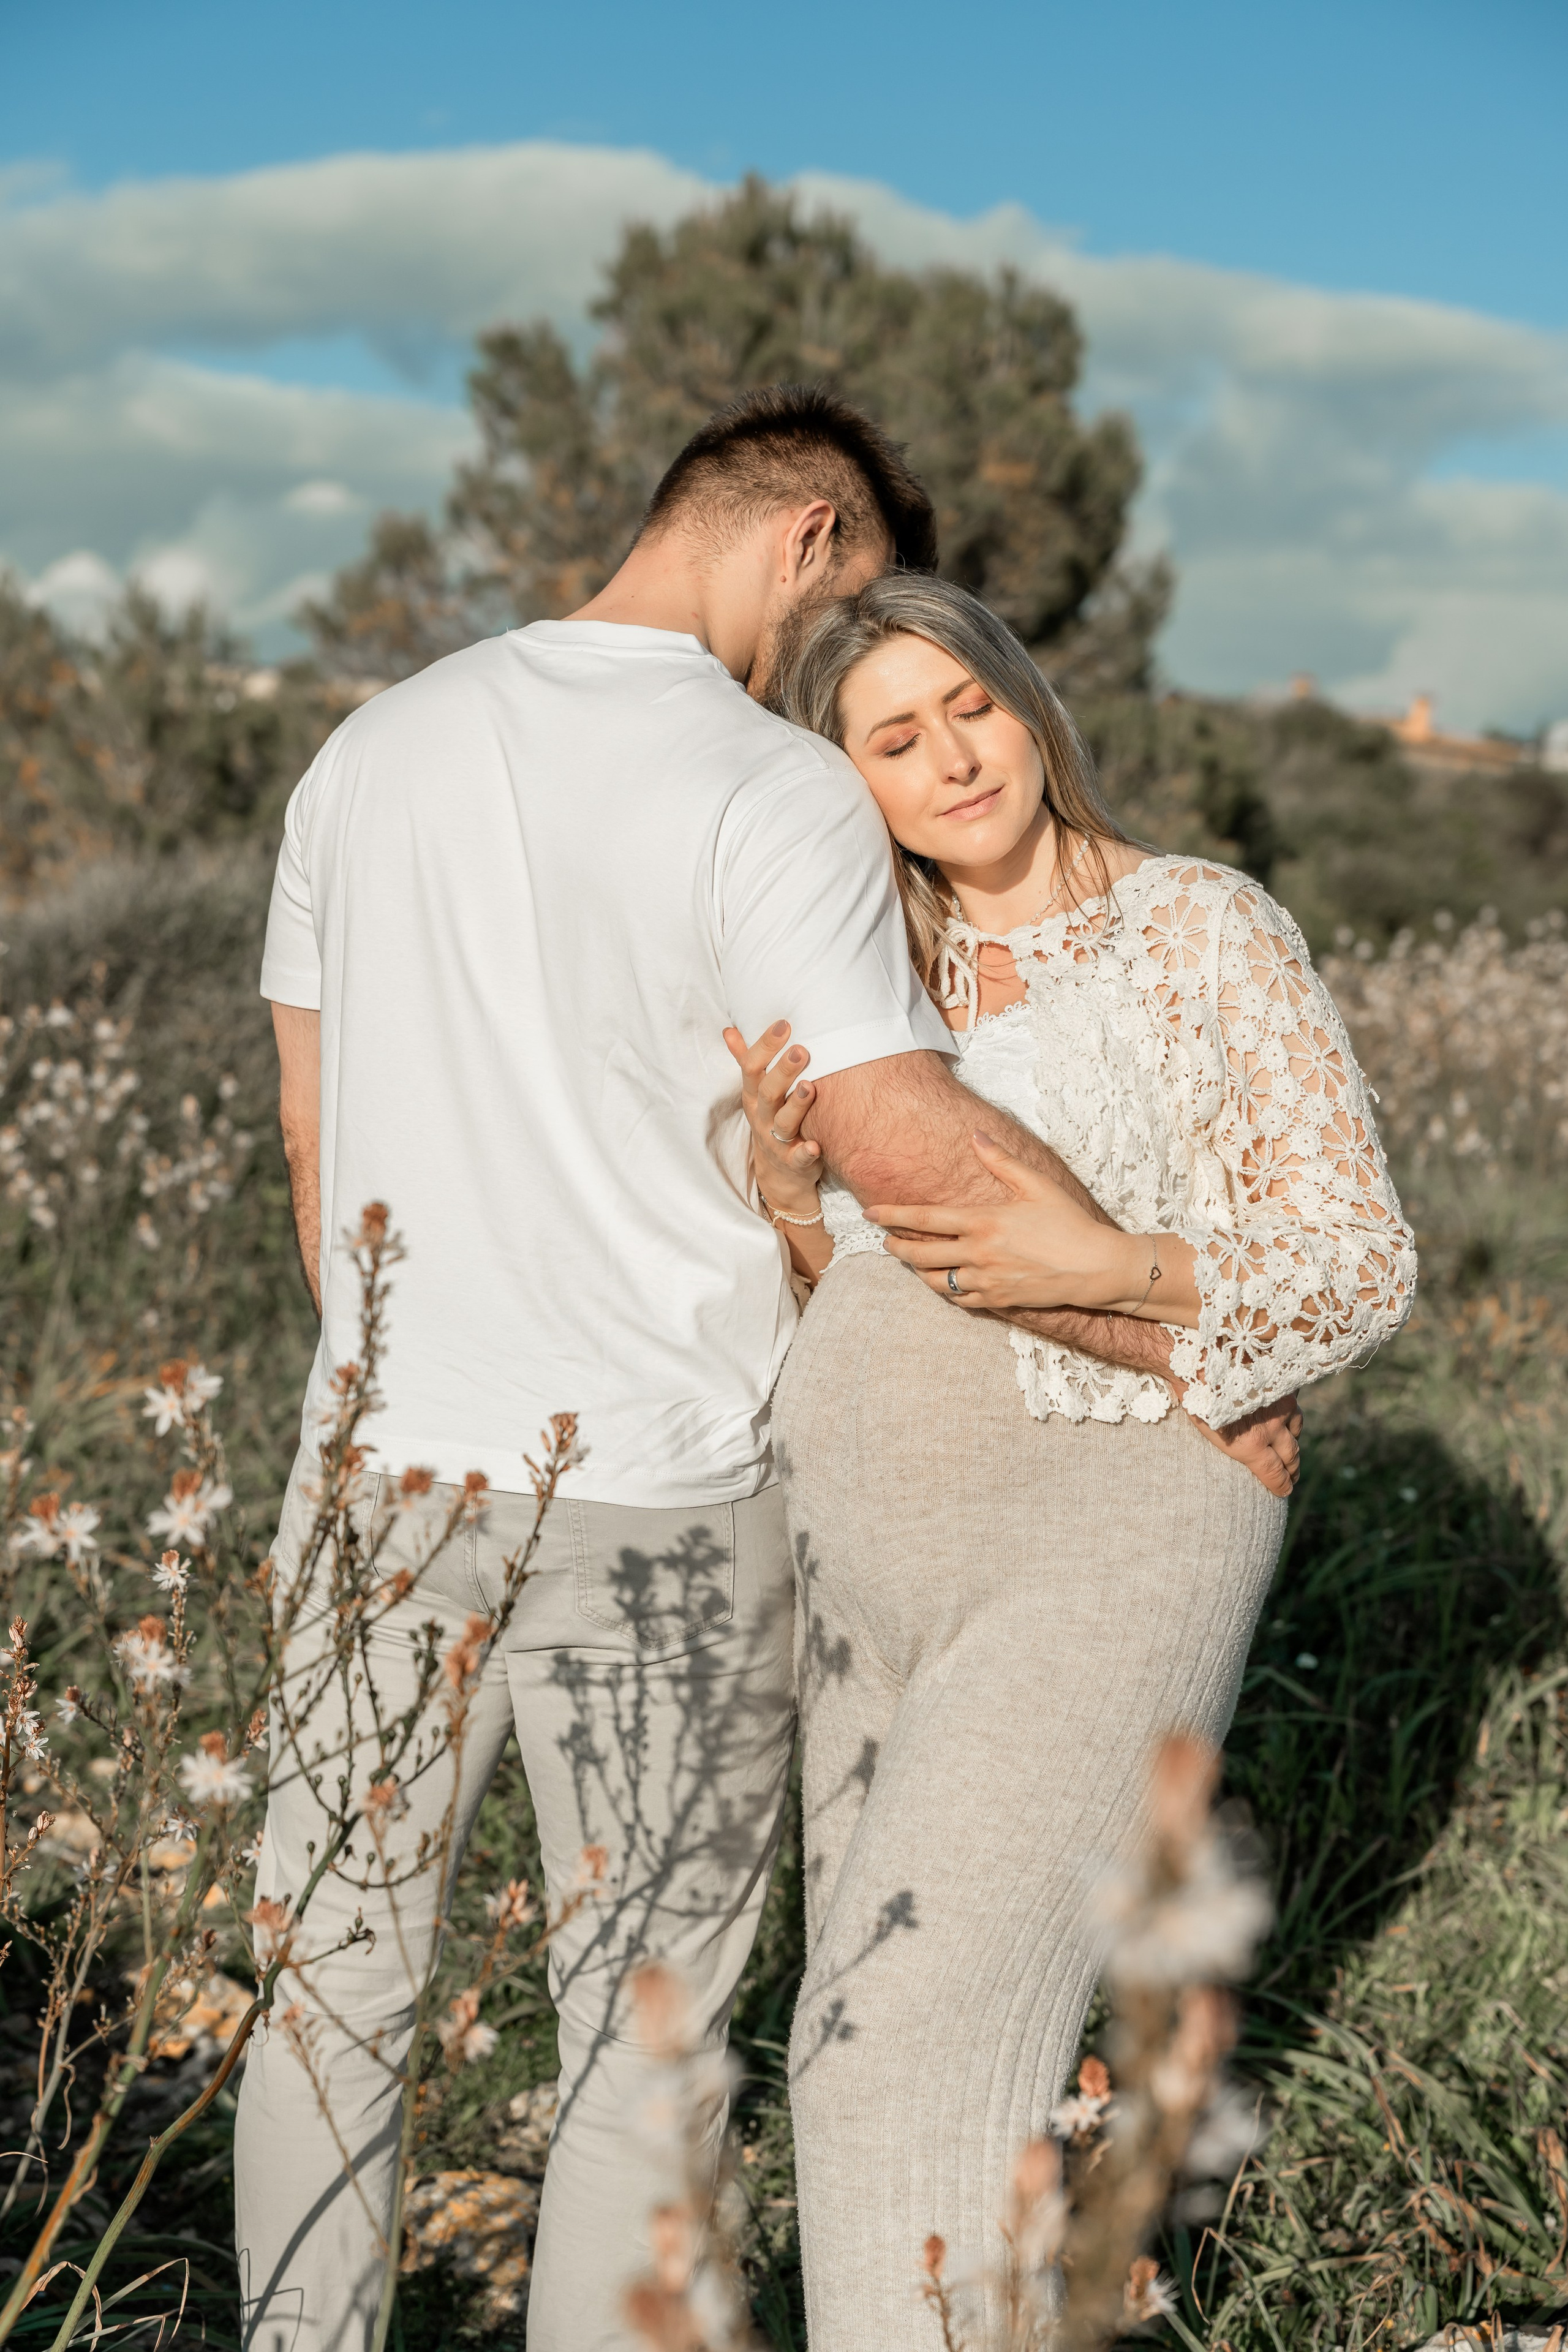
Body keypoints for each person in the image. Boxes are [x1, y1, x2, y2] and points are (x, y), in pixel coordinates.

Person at [242, 386, 1303, 2351]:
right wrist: (1193, 1331)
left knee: (329, 2002)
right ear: (814, 537)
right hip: (661, 1492)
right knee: (638, 2048)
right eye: (860, 604)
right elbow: (920, 1152)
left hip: (374, 1475)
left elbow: (317, 1153)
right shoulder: (768, 783)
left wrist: (406, 1399)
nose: (841, 668)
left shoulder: (365, 752)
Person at [727, 573, 1415, 2351]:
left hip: (1110, 1522)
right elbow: (888, 1294)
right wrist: (802, 1215)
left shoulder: (1200, 928)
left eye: (971, 705)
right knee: (862, 2055)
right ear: (846, 784)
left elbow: (1355, 1260)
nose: (953, 756)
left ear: (1028, 702)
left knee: (905, 2067)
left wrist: (1108, 1269)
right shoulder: (868, 978)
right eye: (895, 737)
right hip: (860, 1574)